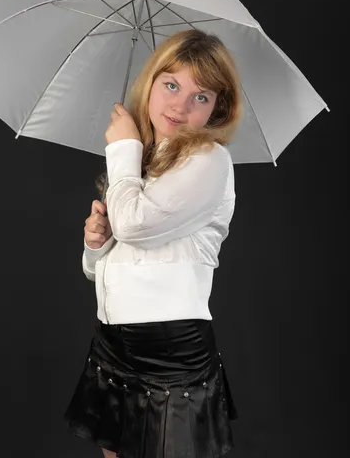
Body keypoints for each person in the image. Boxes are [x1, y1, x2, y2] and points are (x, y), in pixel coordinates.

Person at [64, 29, 243, 458]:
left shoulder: (209, 161)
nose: (180, 105)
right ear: (151, 82)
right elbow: (100, 266)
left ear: (218, 109)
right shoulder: (144, 158)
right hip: (112, 342)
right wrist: (95, 243)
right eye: (171, 85)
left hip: (170, 351)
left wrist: (123, 146)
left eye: (201, 97)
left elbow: (135, 225)